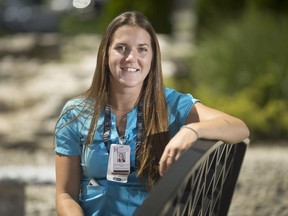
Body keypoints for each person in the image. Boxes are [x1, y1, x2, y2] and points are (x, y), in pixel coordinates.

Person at [54, 11, 250, 216]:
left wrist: (191, 130)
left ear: (153, 58)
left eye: (142, 49)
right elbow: (65, 195)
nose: (131, 58)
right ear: (105, 55)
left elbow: (239, 127)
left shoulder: (171, 105)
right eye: (121, 48)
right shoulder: (75, 114)